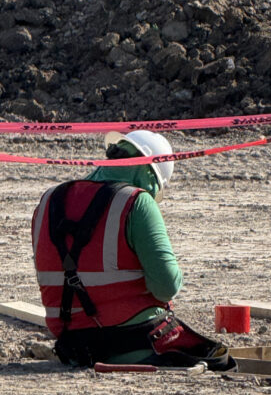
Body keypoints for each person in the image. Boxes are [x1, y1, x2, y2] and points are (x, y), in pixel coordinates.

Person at [32, 130, 235, 370]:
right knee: (222, 363)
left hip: (72, 343)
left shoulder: (49, 200)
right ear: (150, 173)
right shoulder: (136, 201)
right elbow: (166, 286)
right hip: (129, 343)